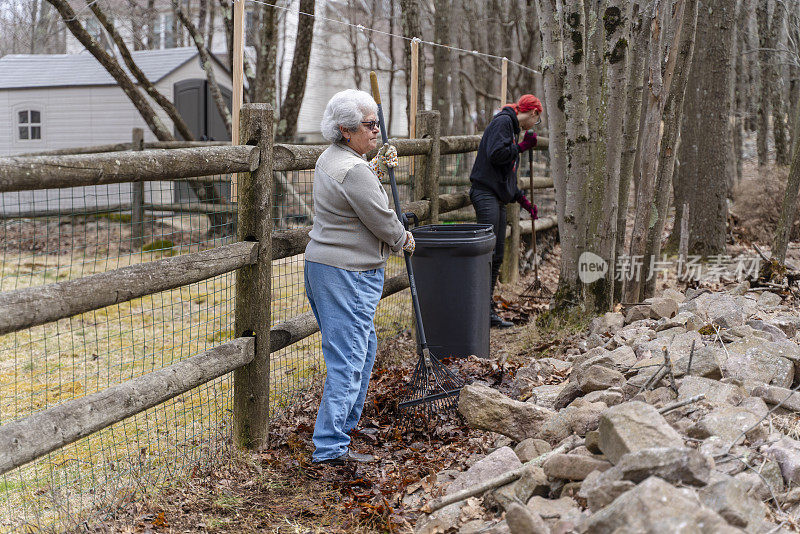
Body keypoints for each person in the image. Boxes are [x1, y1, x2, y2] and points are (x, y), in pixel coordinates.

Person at [304, 89, 415, 465]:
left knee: (361, 349)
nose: (377, 129)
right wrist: (404, 238)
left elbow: (357, 192)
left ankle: (344, 427)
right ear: (345, 130)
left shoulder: (334, 159)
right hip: (347, 273)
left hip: (329, 268)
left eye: (376, 122)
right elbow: (380, 217)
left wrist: (378, 168)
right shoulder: (353, 170)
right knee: (349, 357)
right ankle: (330, 449)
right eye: (369, 125)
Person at [469, 94, 542, 328]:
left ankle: (486, 309)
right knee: (487, 253)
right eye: (537, 120)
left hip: (496, 196)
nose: (535, 125)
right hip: (485, 193)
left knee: (497, 254)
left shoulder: (513, 127)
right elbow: (496, 155)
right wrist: (521, 147)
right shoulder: (503, 122)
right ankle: (477, 309)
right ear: (533, 113)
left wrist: (524, 202)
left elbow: (506, 177)